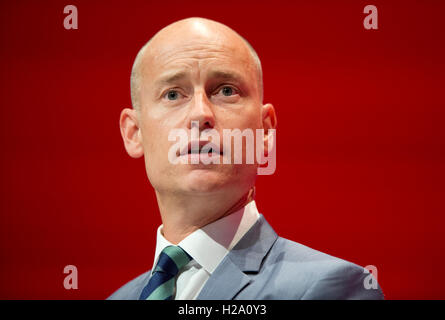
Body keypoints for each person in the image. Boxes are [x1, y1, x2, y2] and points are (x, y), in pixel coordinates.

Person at [108, 17, 384, 300]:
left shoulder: (330, 288)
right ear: (134, 132)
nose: (200, 114)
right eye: (173, 94)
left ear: (265, 131)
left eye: (226, 90)